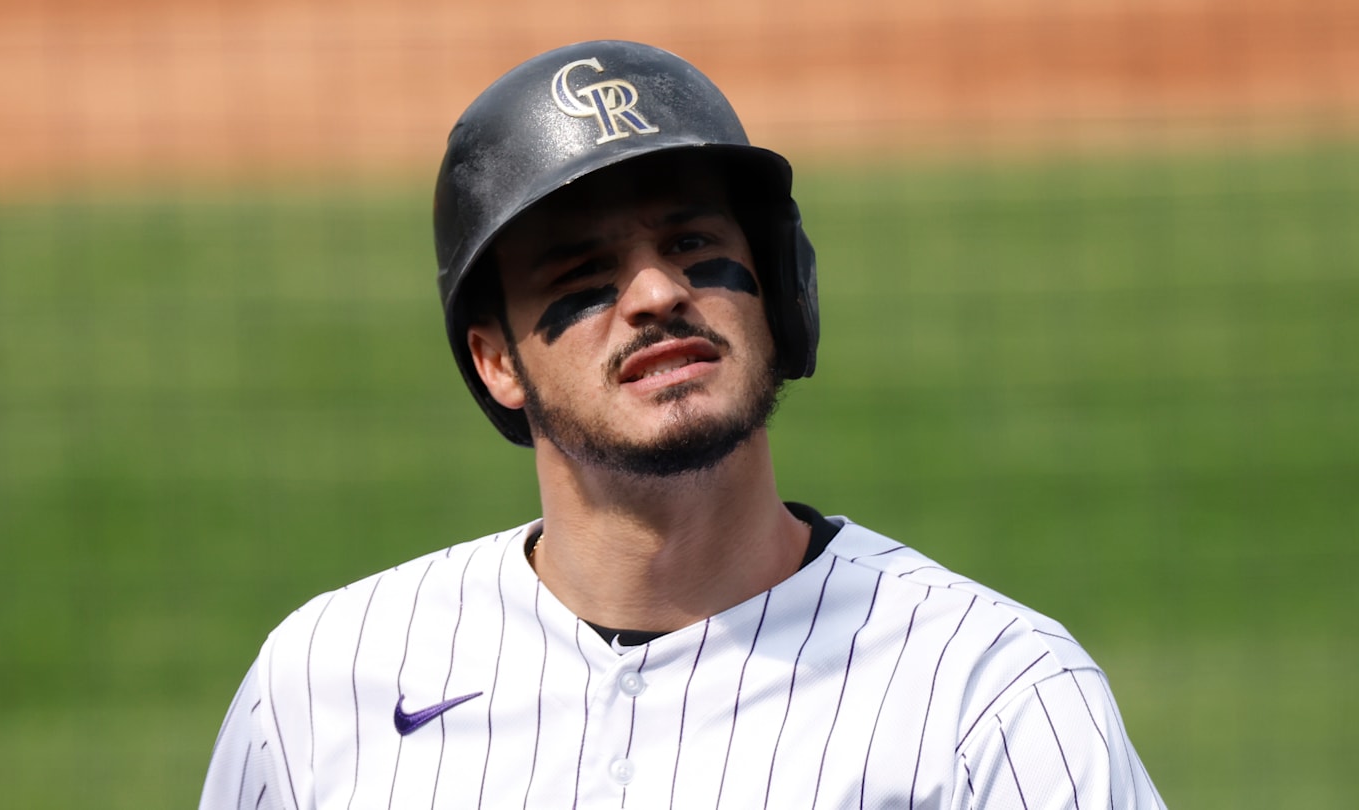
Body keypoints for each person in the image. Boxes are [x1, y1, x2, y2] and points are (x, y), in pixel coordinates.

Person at [199, 40, 1165, 809]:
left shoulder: (988, 694)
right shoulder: (325, 682)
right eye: (583, 276)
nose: (658, 292)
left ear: (780, 291)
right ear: (496, 362)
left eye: (695, 245)